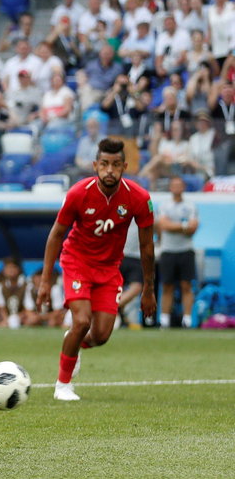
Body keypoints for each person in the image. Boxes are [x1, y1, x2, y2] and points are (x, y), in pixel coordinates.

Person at [37, 138, 156, 401]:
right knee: (82, 321)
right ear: (95, 165)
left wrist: (148, 288)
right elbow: (56, 234)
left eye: (115, 164)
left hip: (109, 269)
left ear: (125, 166)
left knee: (101, 336)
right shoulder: (79, 193)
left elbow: (147, 247)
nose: (110, 170)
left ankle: (73, 344)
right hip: (77, 261)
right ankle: (63, 385)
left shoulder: (139, 198)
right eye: (104, 164)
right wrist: (46, 280)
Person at [156, 176, 199, 329]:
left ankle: (187, 320)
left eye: (179, 185)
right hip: (168, 250)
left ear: (183, 187)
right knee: (167, 286)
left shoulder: (191, 205)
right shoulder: (164, 205)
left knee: (186, 285)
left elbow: (193, 228)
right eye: (174, 185)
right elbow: (164, 225)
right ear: (170, 187)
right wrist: (183, 225)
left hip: (186, 250)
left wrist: (176, 226)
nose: (176, 187)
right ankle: (164, 320)